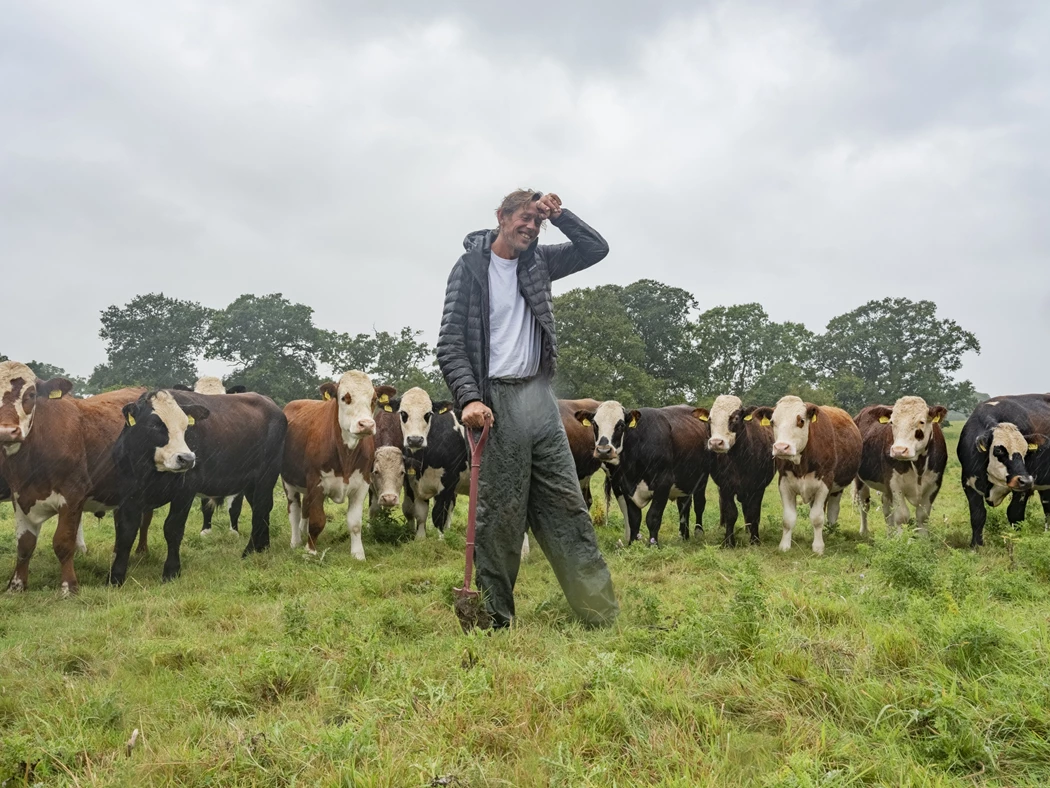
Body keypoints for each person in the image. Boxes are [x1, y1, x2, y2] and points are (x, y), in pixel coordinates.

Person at [436, 189, 619, 629]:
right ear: (500, 217)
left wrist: (560, 215)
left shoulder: (540, 262)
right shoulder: (469, 269)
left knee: (567, 506)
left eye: (536, 223)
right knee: (499, 515)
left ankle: (600, 615)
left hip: (540, 400)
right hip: (495, 402)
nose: (530, 228)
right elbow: (450, 345)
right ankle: (496, 619)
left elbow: (596, 249)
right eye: (524, 218)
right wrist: (470, 397)